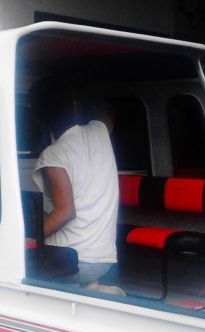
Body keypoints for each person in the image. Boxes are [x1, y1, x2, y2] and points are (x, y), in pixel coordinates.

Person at [30, 79, 120, 290]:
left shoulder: (54, 155)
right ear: (74, 106)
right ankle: (92, 288)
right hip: (104, 259)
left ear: (37, 118)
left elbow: (65, 212)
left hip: (74, 259)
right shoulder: (99, 131)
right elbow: (107, 112)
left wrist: (28, 237)